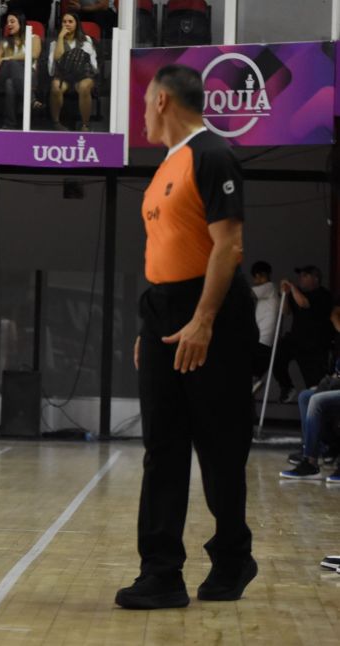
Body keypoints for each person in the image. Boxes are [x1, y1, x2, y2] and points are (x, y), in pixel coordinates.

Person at [115, 64, 258, 610]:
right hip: (162, 311)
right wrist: (150, 327)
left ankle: (232, 557)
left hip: (214, 312)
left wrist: (204, 319)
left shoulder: (213, 155)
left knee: (220, 448)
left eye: (145, 102)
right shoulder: (164, 167)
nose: (142, 114)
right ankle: (161, 573)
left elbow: (230, 245)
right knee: (163, 448)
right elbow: (165, 249)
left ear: (163, 101)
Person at [272, 265, 334, 402]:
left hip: (314, 345)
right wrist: (285, 294)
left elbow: (304, 303)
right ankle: (287, 387)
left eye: (305, 275)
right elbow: (286, 311)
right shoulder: (297, 293)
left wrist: (292, 286)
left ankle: (317, 407)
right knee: (276, 356)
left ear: (315, 279)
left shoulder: (323, 294)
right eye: (300, 275)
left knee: (314, 383)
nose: (301, 278)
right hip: (296, 339)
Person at [0, 12, 42, 129]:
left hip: (29, 75)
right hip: (4, 74)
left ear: (21, 23)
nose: (9, 25)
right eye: (7, 22)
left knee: (10, 83)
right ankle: (31, 100)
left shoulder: (33, 38)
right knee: (11, 65)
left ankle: (9, 124)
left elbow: (34, 54)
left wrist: (10, 57)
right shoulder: (4, 42)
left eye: (12, 21)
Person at [47, 12, 98, 131]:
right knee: (55, 86)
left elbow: (93, 64)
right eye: (64, 22)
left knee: (84, 86)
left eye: (70, 21)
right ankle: (56, 123)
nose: (67, 24)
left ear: (76, 24)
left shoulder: (86, 40)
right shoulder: (55, 43)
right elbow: (56, 61)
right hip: (64, 77)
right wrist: (60, 37)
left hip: (83, 76)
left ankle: (85, 125)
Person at [250, 260, 277, 393]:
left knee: (249, 361)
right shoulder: (270, 290)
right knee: (253, 364)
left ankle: (254, 381)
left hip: (263, 336)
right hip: (263, 337)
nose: (255, 281)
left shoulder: (269, 287)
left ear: (261, 275)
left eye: (255, 278)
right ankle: (253, 381)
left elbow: (249, 293)